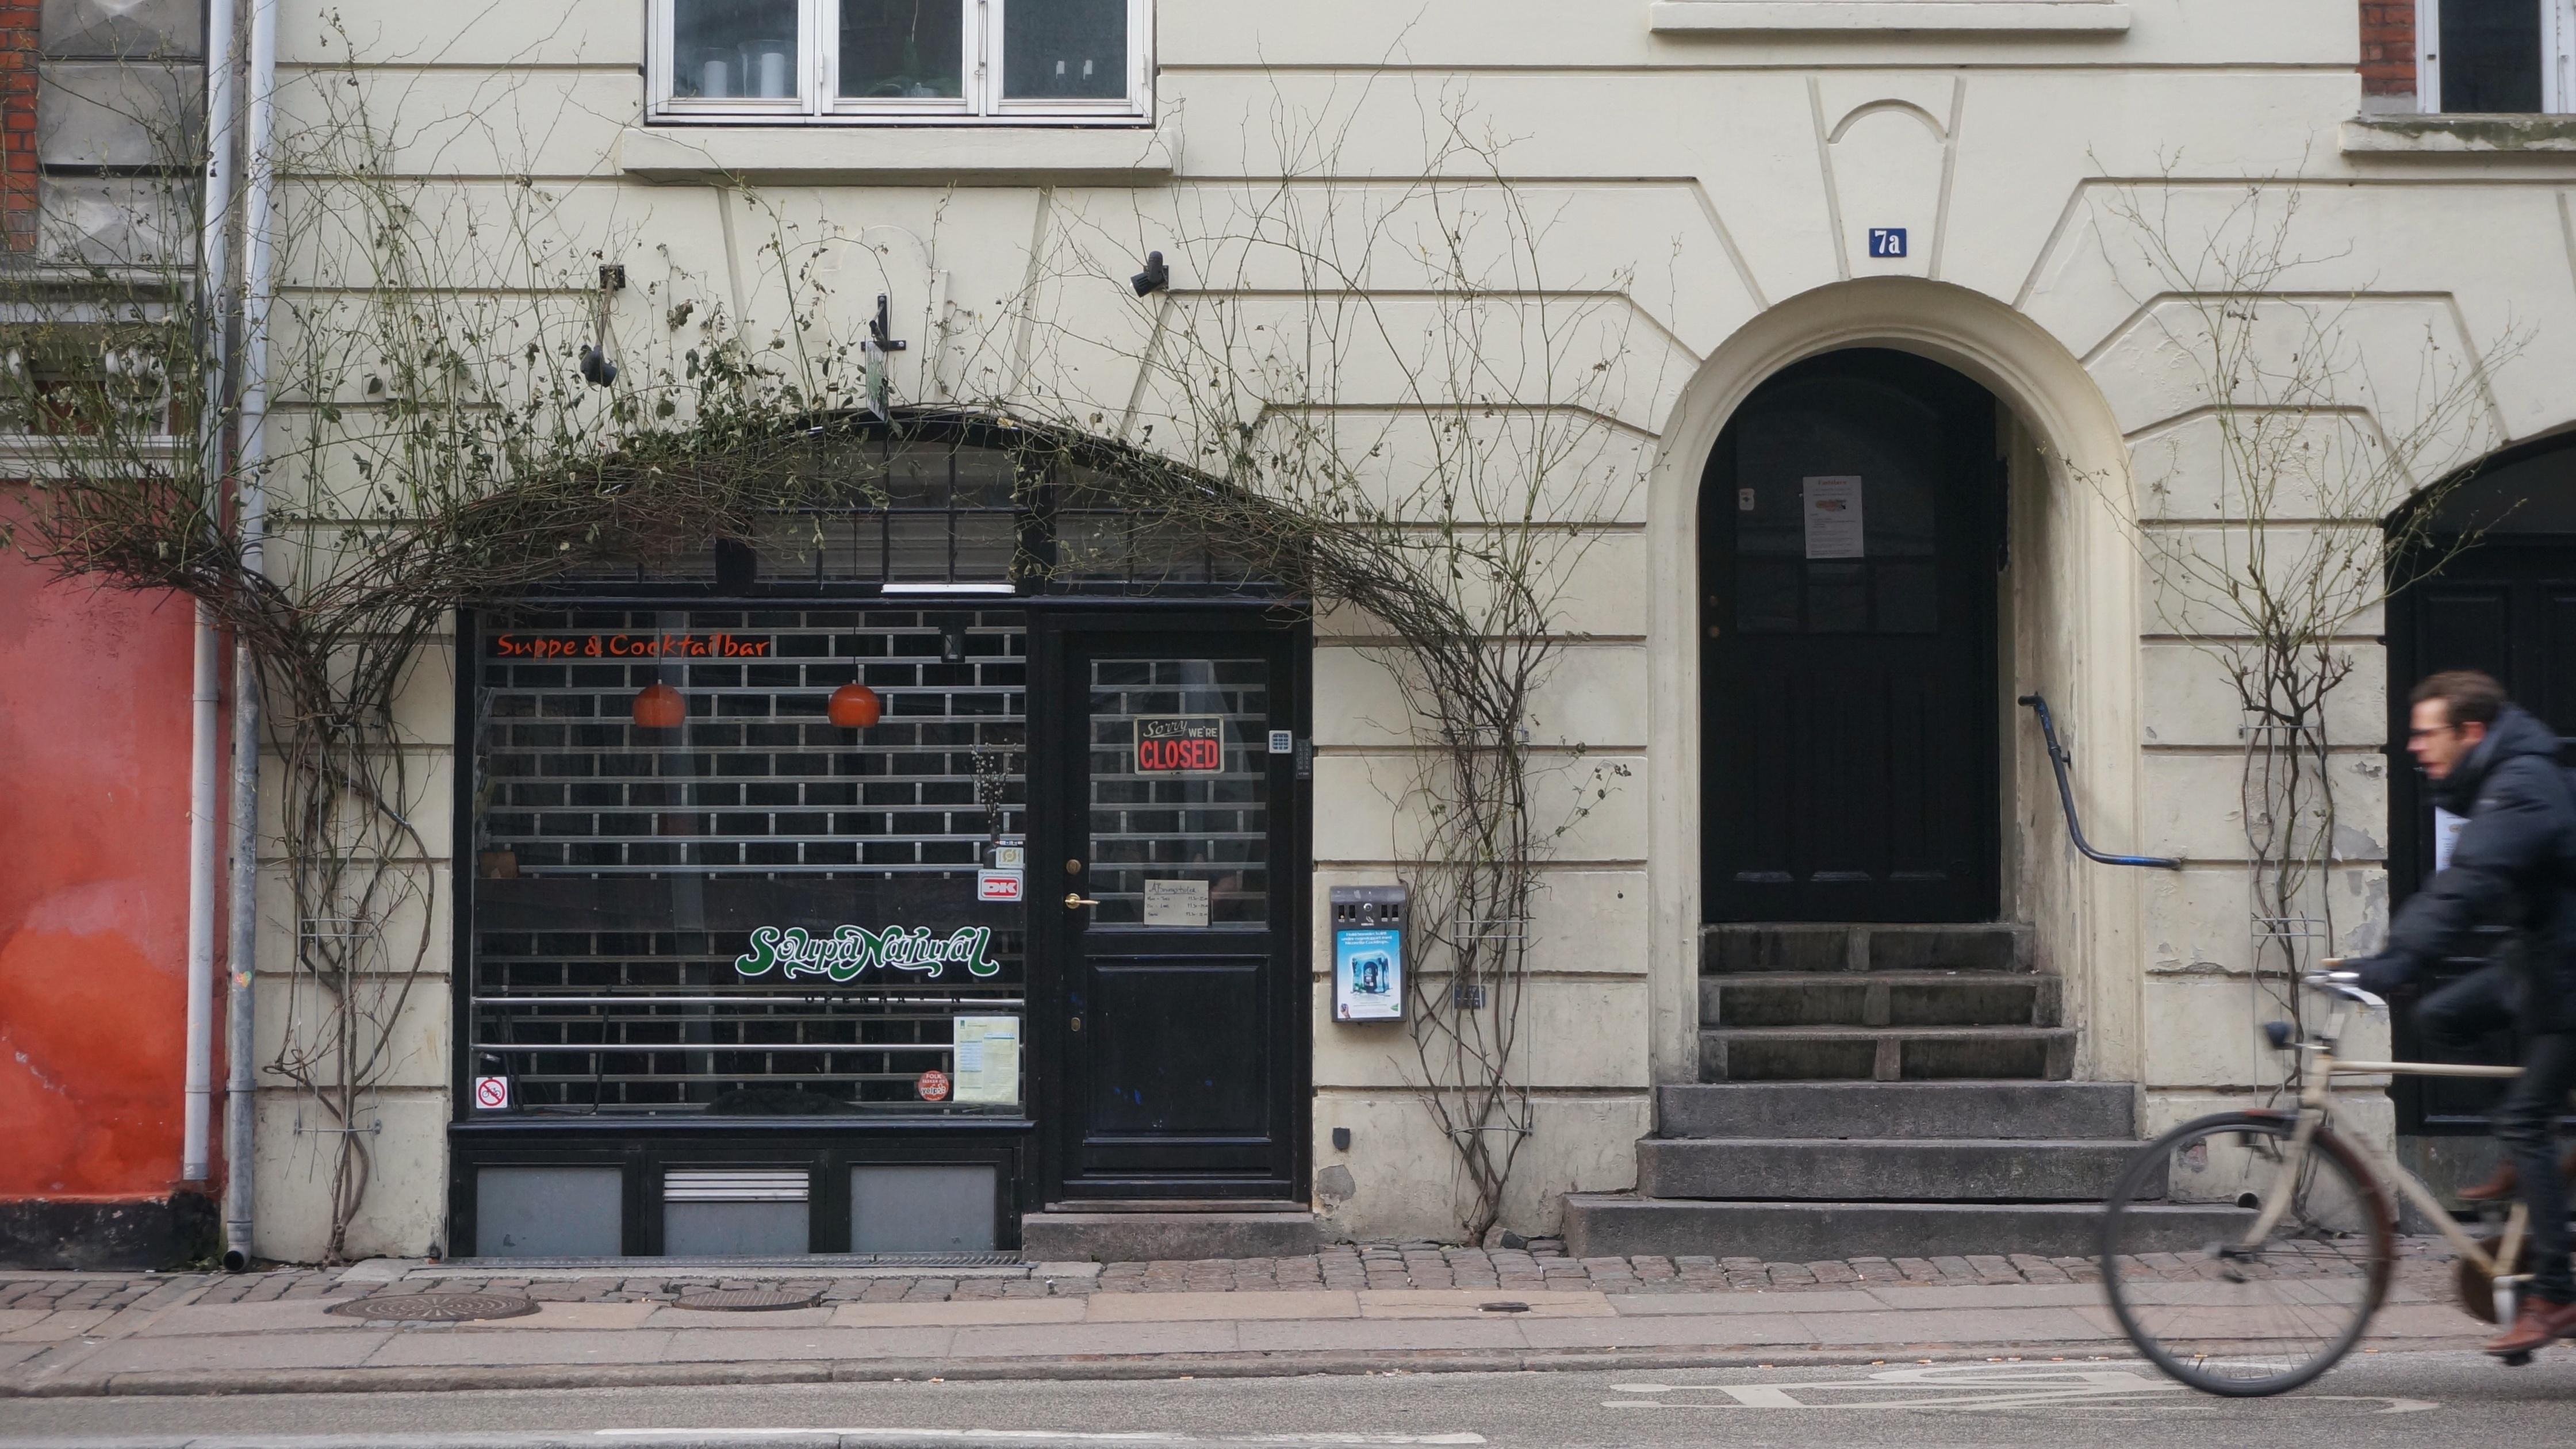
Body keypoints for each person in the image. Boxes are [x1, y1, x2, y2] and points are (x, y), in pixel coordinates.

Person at [2345, 670, 2576, 1356]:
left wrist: (2396, 962)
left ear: (2469, 732)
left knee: (2528, 1116)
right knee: (2444, 1018)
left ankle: (2554, 1296)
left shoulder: (2521, 786)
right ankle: (2529, 1149)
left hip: (2568, 974)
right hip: (2539, 960)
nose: (2414, 746)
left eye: (2425, 732)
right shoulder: (2499, 776)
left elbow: (2467, 884)